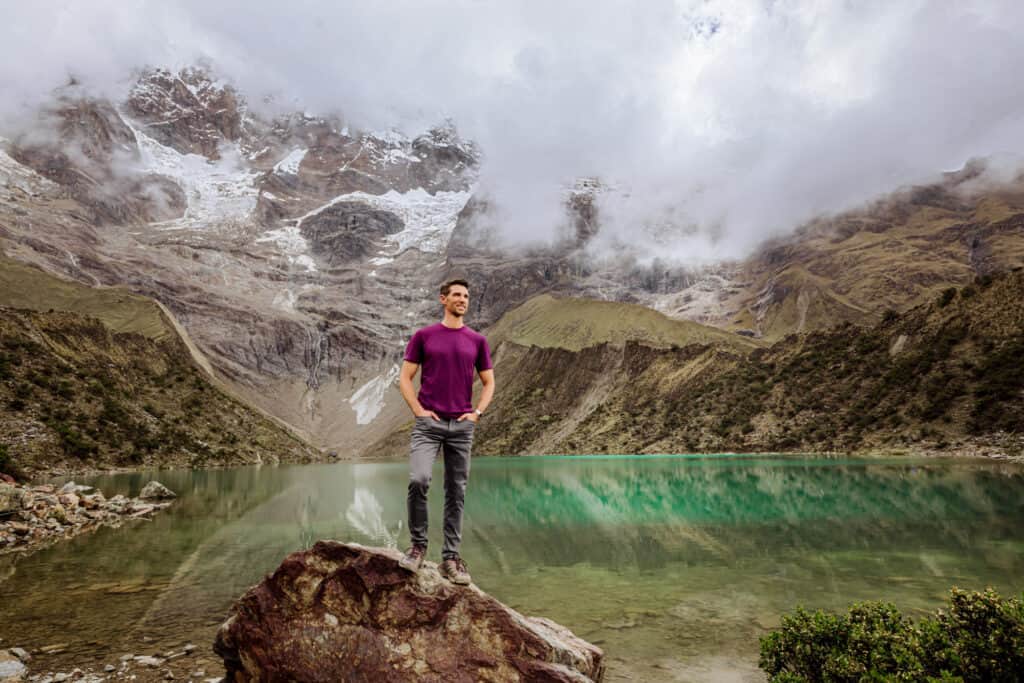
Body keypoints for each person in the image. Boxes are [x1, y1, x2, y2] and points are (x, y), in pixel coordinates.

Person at [397, 278, 495, 585]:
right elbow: (405, 377)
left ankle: (451, 559)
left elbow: (489, 382)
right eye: (456, 295)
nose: (462, 299)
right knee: (419, 479)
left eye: (466, 295)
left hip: (462, 427)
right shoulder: (425, 336)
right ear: (443, 299)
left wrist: (476, 413)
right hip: (429, 425)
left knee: (456, 491)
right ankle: (418, 547)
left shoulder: (477, 341)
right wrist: (418, 411)